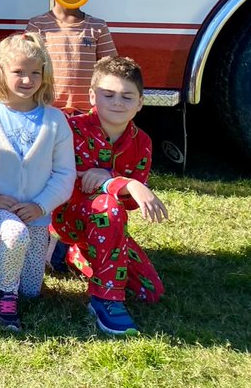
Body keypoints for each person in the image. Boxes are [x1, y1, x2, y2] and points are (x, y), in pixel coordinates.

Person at [0, 32, 74, 332]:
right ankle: (4, 296)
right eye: (19, 72)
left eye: (35, 73)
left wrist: (40, 206)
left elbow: (65, 174)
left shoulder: (55, 121)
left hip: (37, 211)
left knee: (32, 290)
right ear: (1, 73)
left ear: (44, 75)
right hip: (0, 204)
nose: (27, 80)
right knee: (14, 237)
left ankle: (16, 283)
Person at [51, 56, 167, 336]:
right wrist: (116, 185)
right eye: (108, 94)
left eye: (127, 96)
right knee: (107, 206)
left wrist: (113, 181)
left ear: (140, 103)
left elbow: (131, 200)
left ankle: (69, 253)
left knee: (149, 291)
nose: (117, 102)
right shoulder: (71, 127)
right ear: (92, 95)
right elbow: (64, 177)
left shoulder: (142, 143)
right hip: (65, 216)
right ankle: (106, 300)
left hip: (106, 229)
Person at [26, 0, 117, 116]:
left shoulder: (98, 27)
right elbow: (28, 67)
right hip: (47, 112)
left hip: (88, 115)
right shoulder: (37, 26)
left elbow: (110, 71)